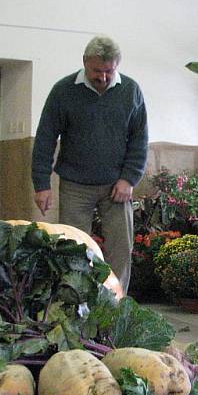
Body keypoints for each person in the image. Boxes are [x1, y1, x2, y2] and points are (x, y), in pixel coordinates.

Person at [31, 35, 148, 294]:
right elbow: (45, 138)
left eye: (109, 71)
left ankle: (116, 303)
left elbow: (140, 138)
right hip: (75, 185)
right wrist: (42, 184)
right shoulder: (63, 90)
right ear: (85, 62)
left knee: (120, 248)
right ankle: (76, 301)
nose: (103, 77)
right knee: (73, 248)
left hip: (117, 185)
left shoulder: (131, 90)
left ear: (117, 65)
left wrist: (129, 178)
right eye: (97, 71)